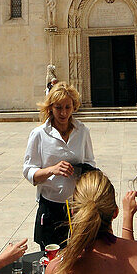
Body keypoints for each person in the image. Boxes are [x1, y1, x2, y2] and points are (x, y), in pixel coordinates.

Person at [23, 82, 96, 250]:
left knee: (79, 256)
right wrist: (51, 170)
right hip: (50, 207)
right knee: (52, 258)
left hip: (78, 206)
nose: (63, 113)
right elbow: (28, 171)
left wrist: (83, 171)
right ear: (50, 108)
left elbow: (91, 163)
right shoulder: (39, 134)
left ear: (74, 107)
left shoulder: (82, 131)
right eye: (58, 108)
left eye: (67, 107)